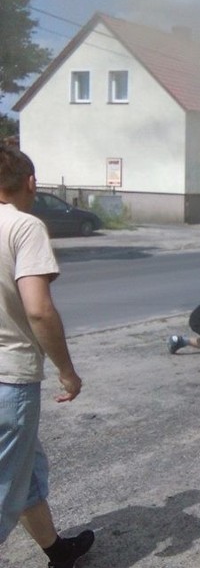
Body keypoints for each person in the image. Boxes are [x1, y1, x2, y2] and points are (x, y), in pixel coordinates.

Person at [0, 147, 95, 567]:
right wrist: (67, 372)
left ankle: (59, 552)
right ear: (31, 183)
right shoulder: (24, 227)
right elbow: (38, 309)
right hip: (9, 379)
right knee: (4, 488)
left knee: (26, 471)